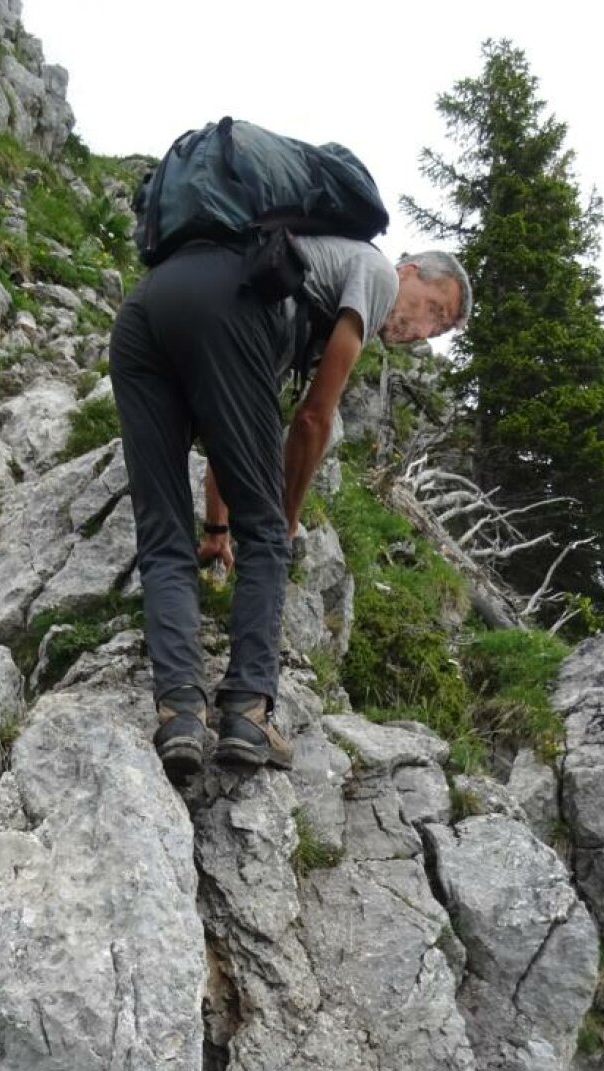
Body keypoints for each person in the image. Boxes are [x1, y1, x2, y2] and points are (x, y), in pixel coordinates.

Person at [109, 235, 471, 778]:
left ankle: (180, 712)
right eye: (434, 310)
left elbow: (230, 437)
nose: (423, 330)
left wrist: (217, 528)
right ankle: (247, 713)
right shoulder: (376, 273)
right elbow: (313, 417)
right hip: (223, 315)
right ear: (410, 271)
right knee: (267, 536)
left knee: (163, 532)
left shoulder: (289, 288)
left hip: (146, 312)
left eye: (437, 330)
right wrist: (285, 520)